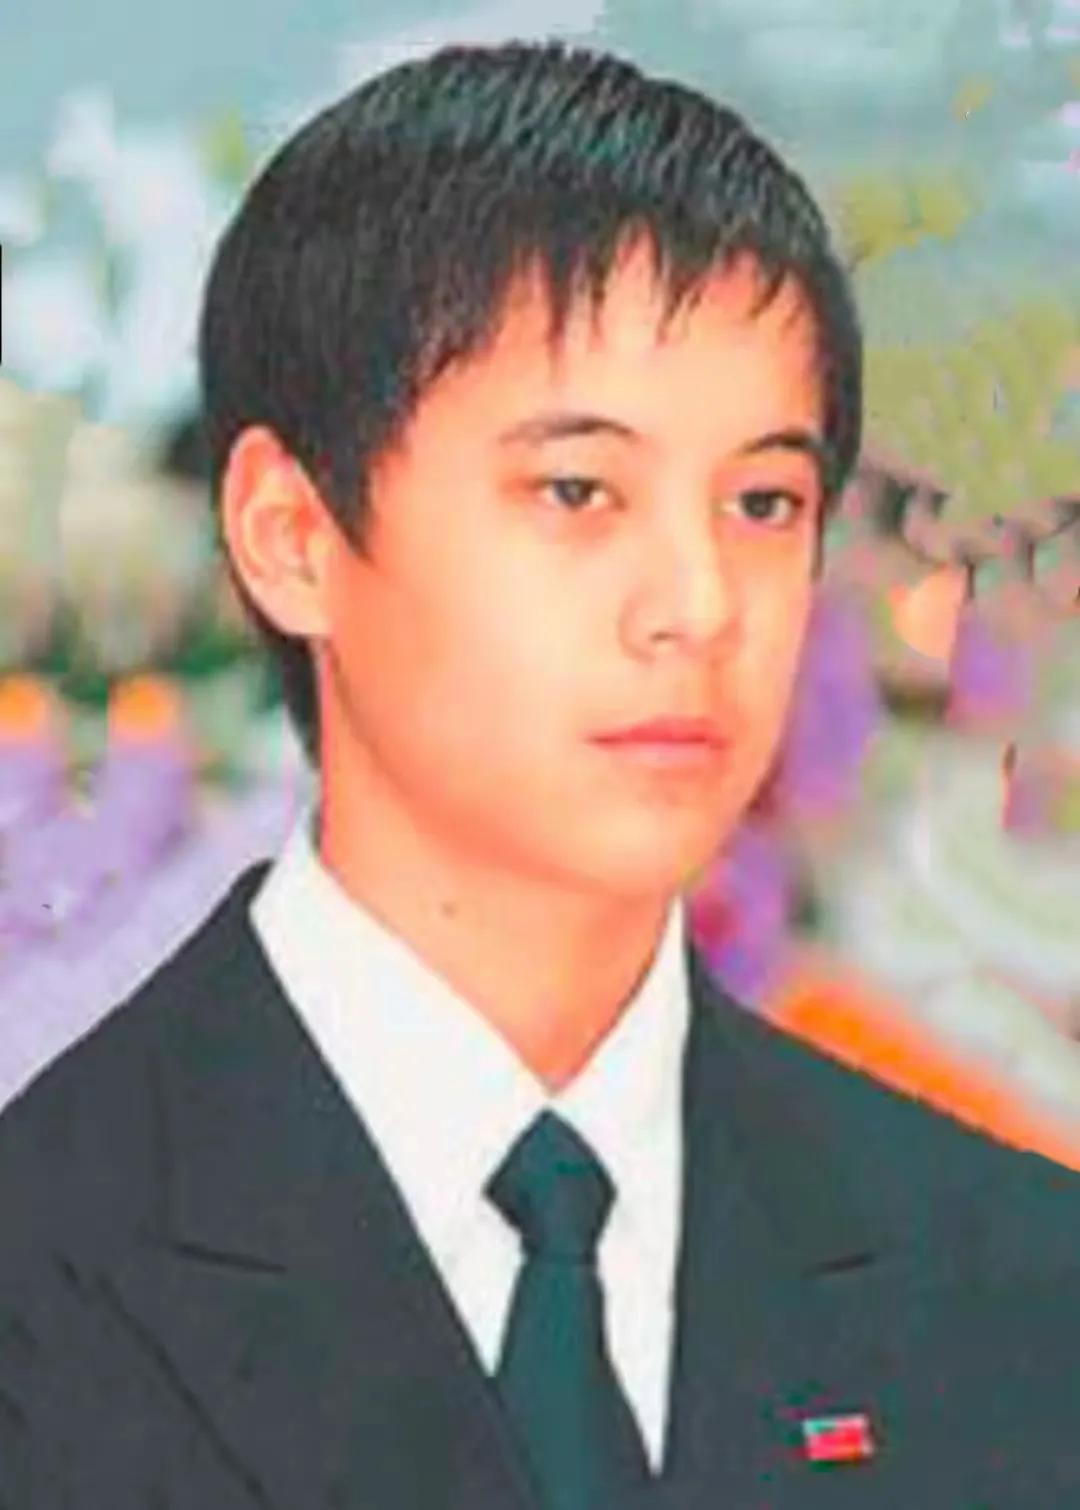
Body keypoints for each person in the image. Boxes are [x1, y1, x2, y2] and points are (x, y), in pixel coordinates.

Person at [2, 39, 1080, 1510]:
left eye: (765, 501)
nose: (699, 602)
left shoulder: (1014, 1287)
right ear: (292, 535)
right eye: (578, 490)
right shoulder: (50, 1278)